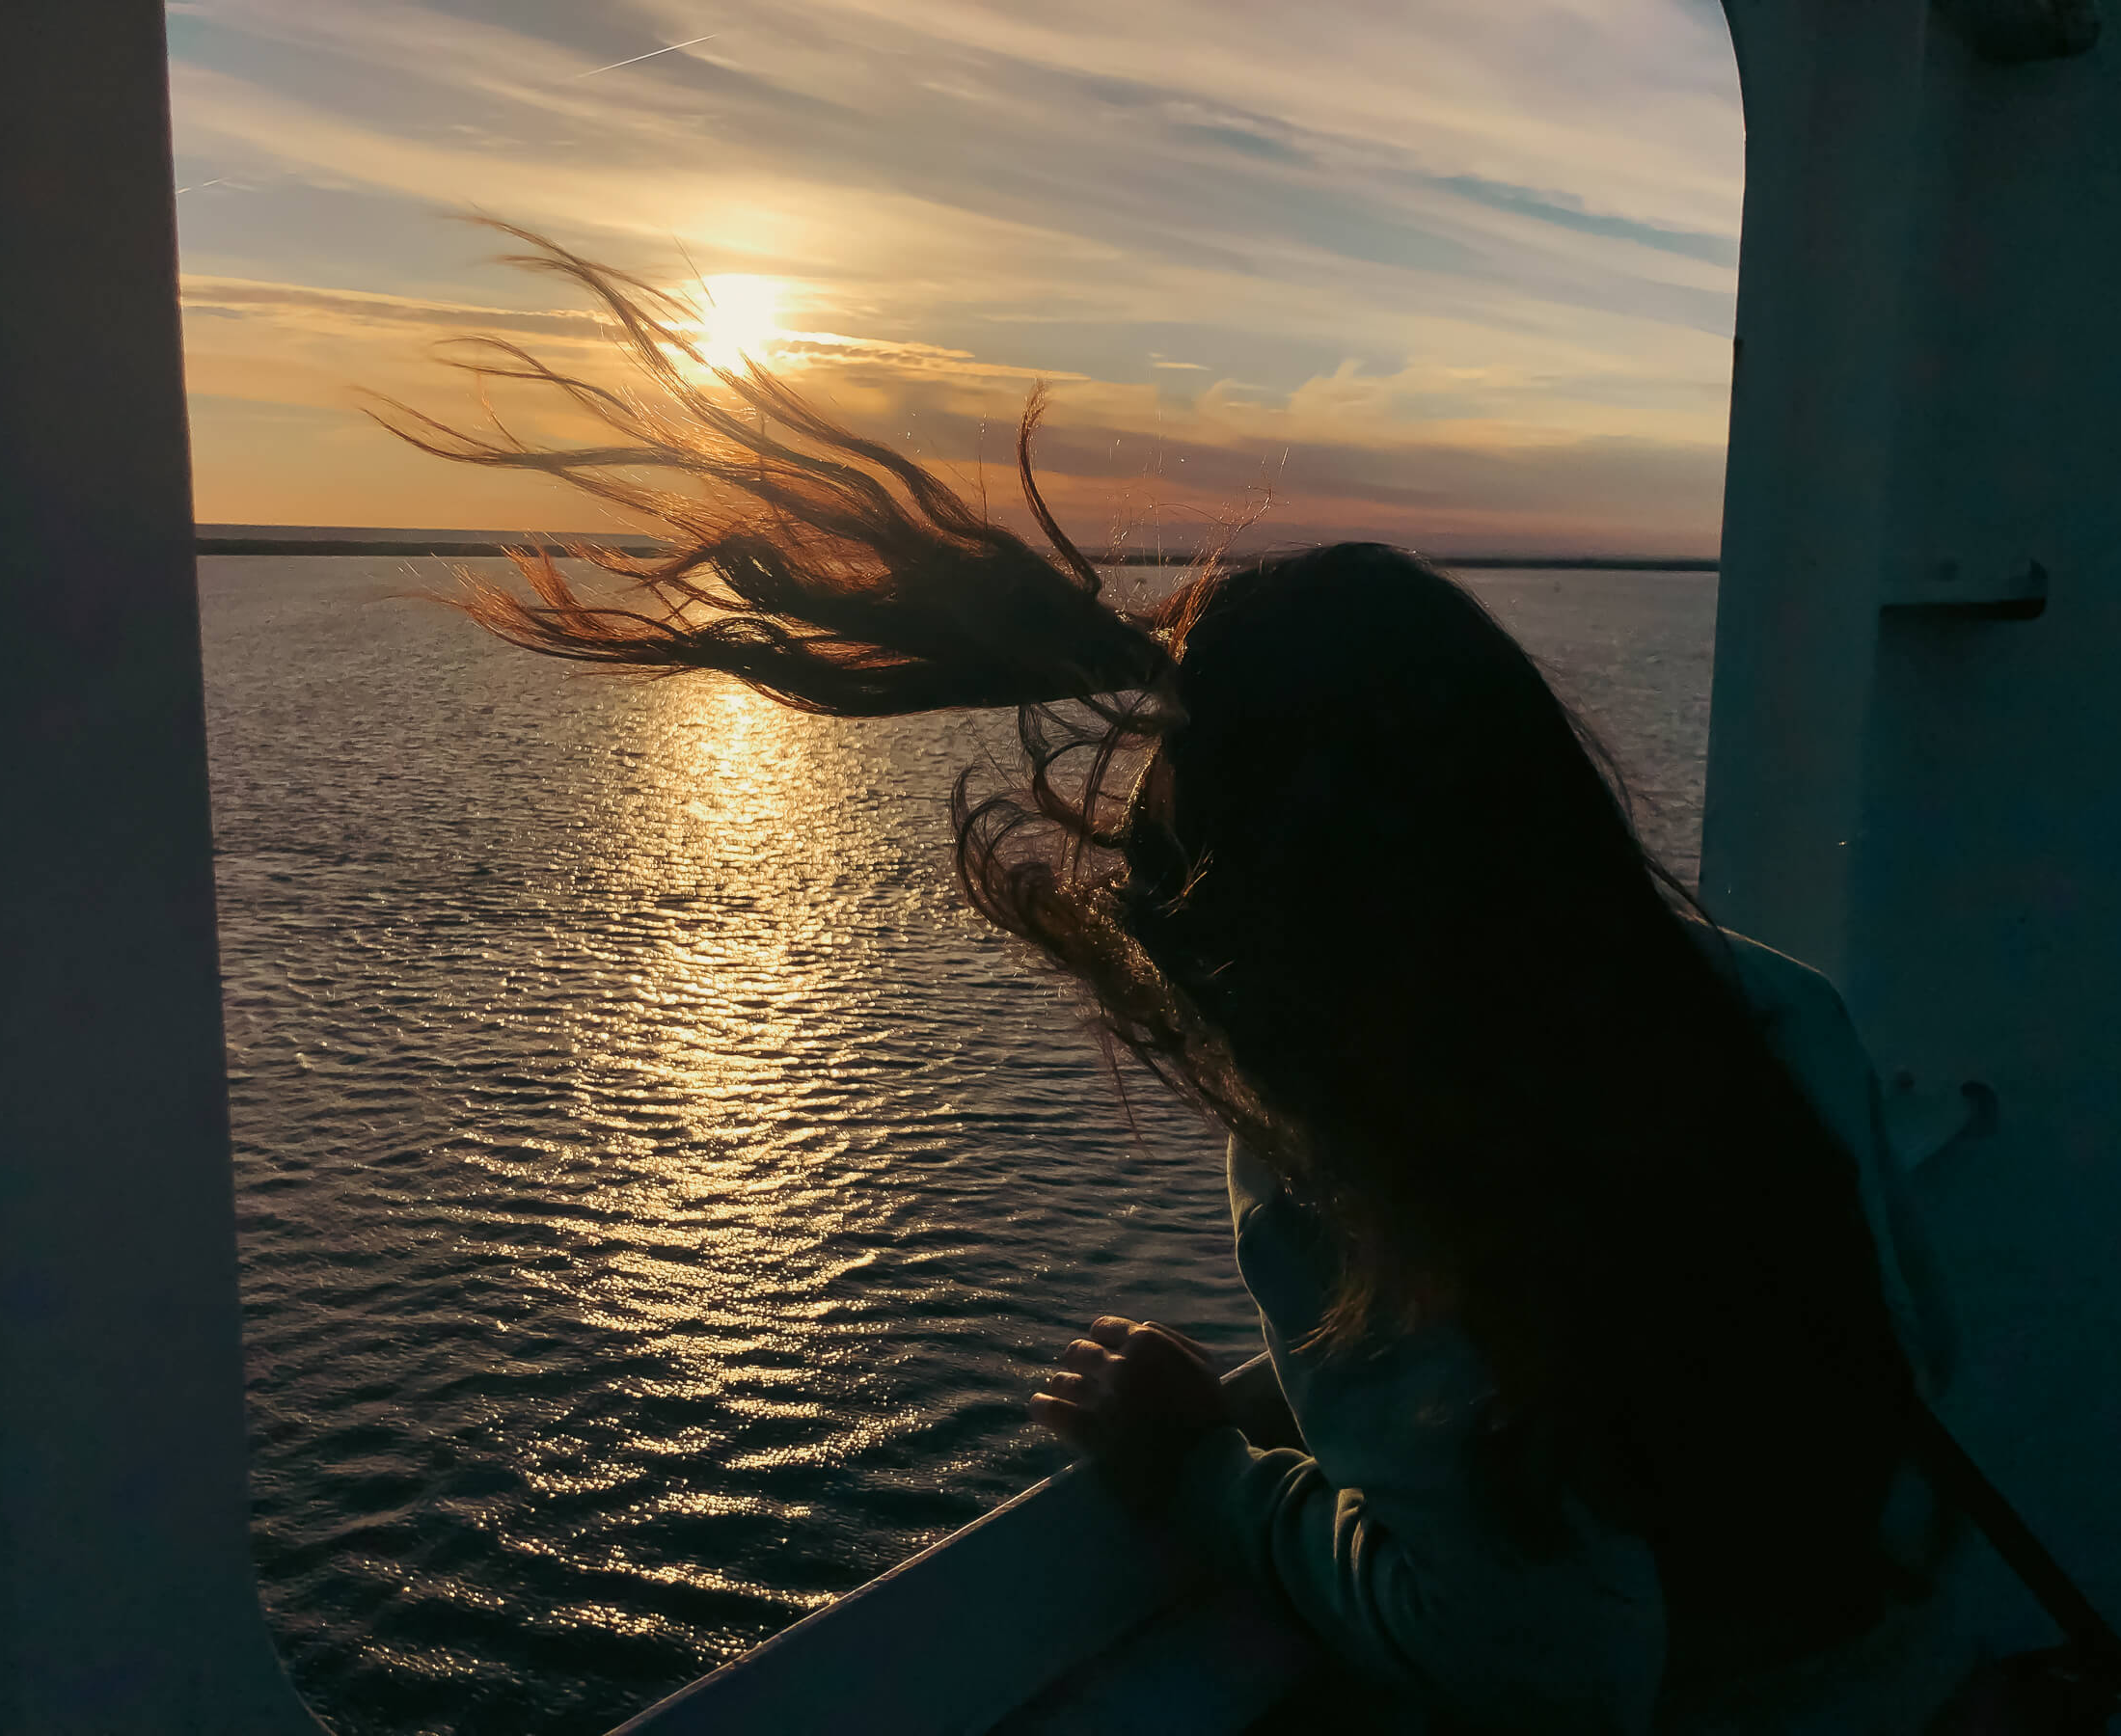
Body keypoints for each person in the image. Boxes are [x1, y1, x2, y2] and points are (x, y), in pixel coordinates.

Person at [380, 226, 1979, 1733]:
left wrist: (1206, 1475)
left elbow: (1538, 1663)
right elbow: (1909, 1378)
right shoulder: (1773, 1012)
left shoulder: (1370, 1192)